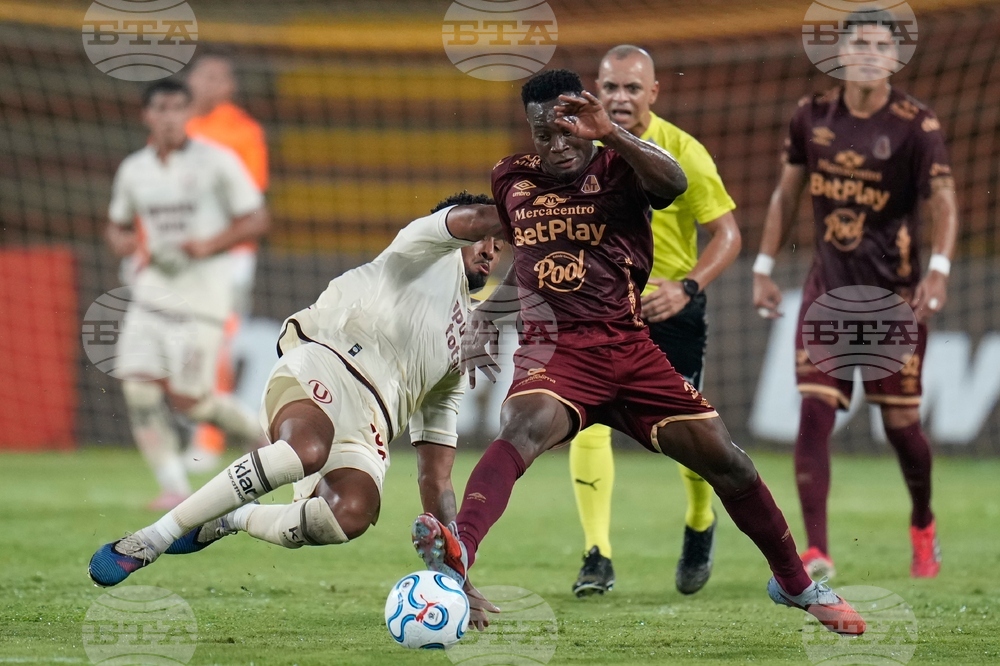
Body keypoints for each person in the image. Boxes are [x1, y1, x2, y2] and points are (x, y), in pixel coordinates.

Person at [412, 69, 865, 636]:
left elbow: (672, 186)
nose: (555, 146)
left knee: (729, 462)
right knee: (521, 427)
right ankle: (461, 553)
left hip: (630, 349)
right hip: (557, 354)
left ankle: (795, 584)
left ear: (587, 119)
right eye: (542, 134)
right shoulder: (511, 177)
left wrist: (612, 134)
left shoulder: (622, 166)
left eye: (566, 130)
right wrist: (487, 311)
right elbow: (525, 252)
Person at [89, 192, 505, 628]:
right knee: (305, 449)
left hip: (370, 426)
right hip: (324, 361)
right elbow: (476, 218)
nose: (493, 249)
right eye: (488, 238)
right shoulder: (423, 246)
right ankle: (151, 539)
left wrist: (458, 571)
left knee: (349, 515)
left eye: (500, 246)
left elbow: (434, 473)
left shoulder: (467, 348)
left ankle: (231, 517)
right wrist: (534, 211)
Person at [753, 10, 957, 580]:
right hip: (827, 292)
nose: (868, 52)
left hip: (895, 298)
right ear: (840, 54)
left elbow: (944, 202)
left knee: (902, 429)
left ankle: (923, 523)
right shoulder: (810, 116)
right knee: (814, 411)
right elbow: (784, 194)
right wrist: (764, 266)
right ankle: (816, 550)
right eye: (858, 42)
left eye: (880, 44)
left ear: (895, 58)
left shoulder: (918, 125)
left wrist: (938, 269)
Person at [568, 45, 742, 598]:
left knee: (690, 437)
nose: (620, 98)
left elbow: (729, 235)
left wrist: (687, 287)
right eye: (610, 87)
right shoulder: (576, 149)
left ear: (653, 93)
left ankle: (699, 518)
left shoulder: (683, 152)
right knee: (586, 419)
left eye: (632, 88)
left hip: (670, 309)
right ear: (596, 87)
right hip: (601, 308)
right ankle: (597, 554)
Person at [104, 79, 270, 510]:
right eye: (162, 108)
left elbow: (256, 218)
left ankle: (261, 434)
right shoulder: (134, 169)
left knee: (190, 400)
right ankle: (173, 485)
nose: (171, 116)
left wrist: (209, 245)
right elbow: (117, 224)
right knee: (137, 383)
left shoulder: (218, 161)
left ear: (189, 114)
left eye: (180, 107)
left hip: (205, 295)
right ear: (149, 115)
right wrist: (122, 242)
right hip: (153, 290)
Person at [184, 52, 270, 471]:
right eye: (203, 75)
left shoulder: (242, 131)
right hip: (181, 257)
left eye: (218, 77)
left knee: (217, 344)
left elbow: (248, 197)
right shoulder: (178, 125)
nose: (209, 83)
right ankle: (211, 428)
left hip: (228, 255)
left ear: (229, 87)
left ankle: (210, 436)